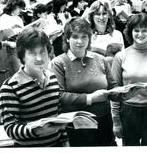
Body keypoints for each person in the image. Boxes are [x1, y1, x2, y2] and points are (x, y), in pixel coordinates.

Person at [48, 17, 117, 146]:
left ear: (89, 39)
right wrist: (90, 98)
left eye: (84, 37)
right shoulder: (58, 63)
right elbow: (59, 96)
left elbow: (112, 87)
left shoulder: (100, 59)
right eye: (75, 37)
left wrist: (125, 92)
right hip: (76, 126)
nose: (80, 41)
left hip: (104, 122)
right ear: (67, 38)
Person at [0, 27, 69, 147]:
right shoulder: (10, 87)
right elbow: (10, 128)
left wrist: (65, 143)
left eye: (42, 51)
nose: (39, 58)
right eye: (32, 53)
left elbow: (57, 118)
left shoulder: (52, 78)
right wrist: (37, 130)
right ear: (22, 56)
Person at [111, 13, 147, 146]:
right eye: (136, 30)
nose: (140, 34)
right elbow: (115, 92)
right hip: (128, 112)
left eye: (144, 30)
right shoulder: (121, 56)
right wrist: (116, 121)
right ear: (130, 32)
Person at [0, 0, 26, 77]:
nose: (20, 10)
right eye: (19, 8)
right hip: (8, 49)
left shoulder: (18, 18)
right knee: (18, 75)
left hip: (20, 48)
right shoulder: (2, 19)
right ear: (14, 6)